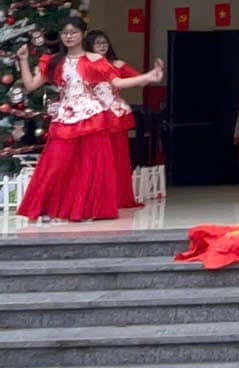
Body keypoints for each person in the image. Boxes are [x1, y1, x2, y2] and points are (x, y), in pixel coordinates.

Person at [17, 18, 163, 222]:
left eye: (73, 32)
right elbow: (31, 85)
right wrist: (23, 60)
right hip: (65, 116)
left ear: (83, 34)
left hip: (91, 116)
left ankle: (87, 209)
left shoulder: (95, 59)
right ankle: (50, 208)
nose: (69, 36)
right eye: (65, 33)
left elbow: (117, 82)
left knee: (90, 166)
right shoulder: (55, 61)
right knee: (56, 162)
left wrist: (147, 77)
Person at [85, 29, 144, 208]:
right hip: (91, 114)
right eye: (97, 43)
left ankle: (118, 197)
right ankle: (95, 197)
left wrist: (151, 75)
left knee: (118, 156)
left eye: (104, 42)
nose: (102, 46)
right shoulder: (84, 65)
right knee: (94, 158)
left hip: (115, 115)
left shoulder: (117, 64)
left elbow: (139, 79)